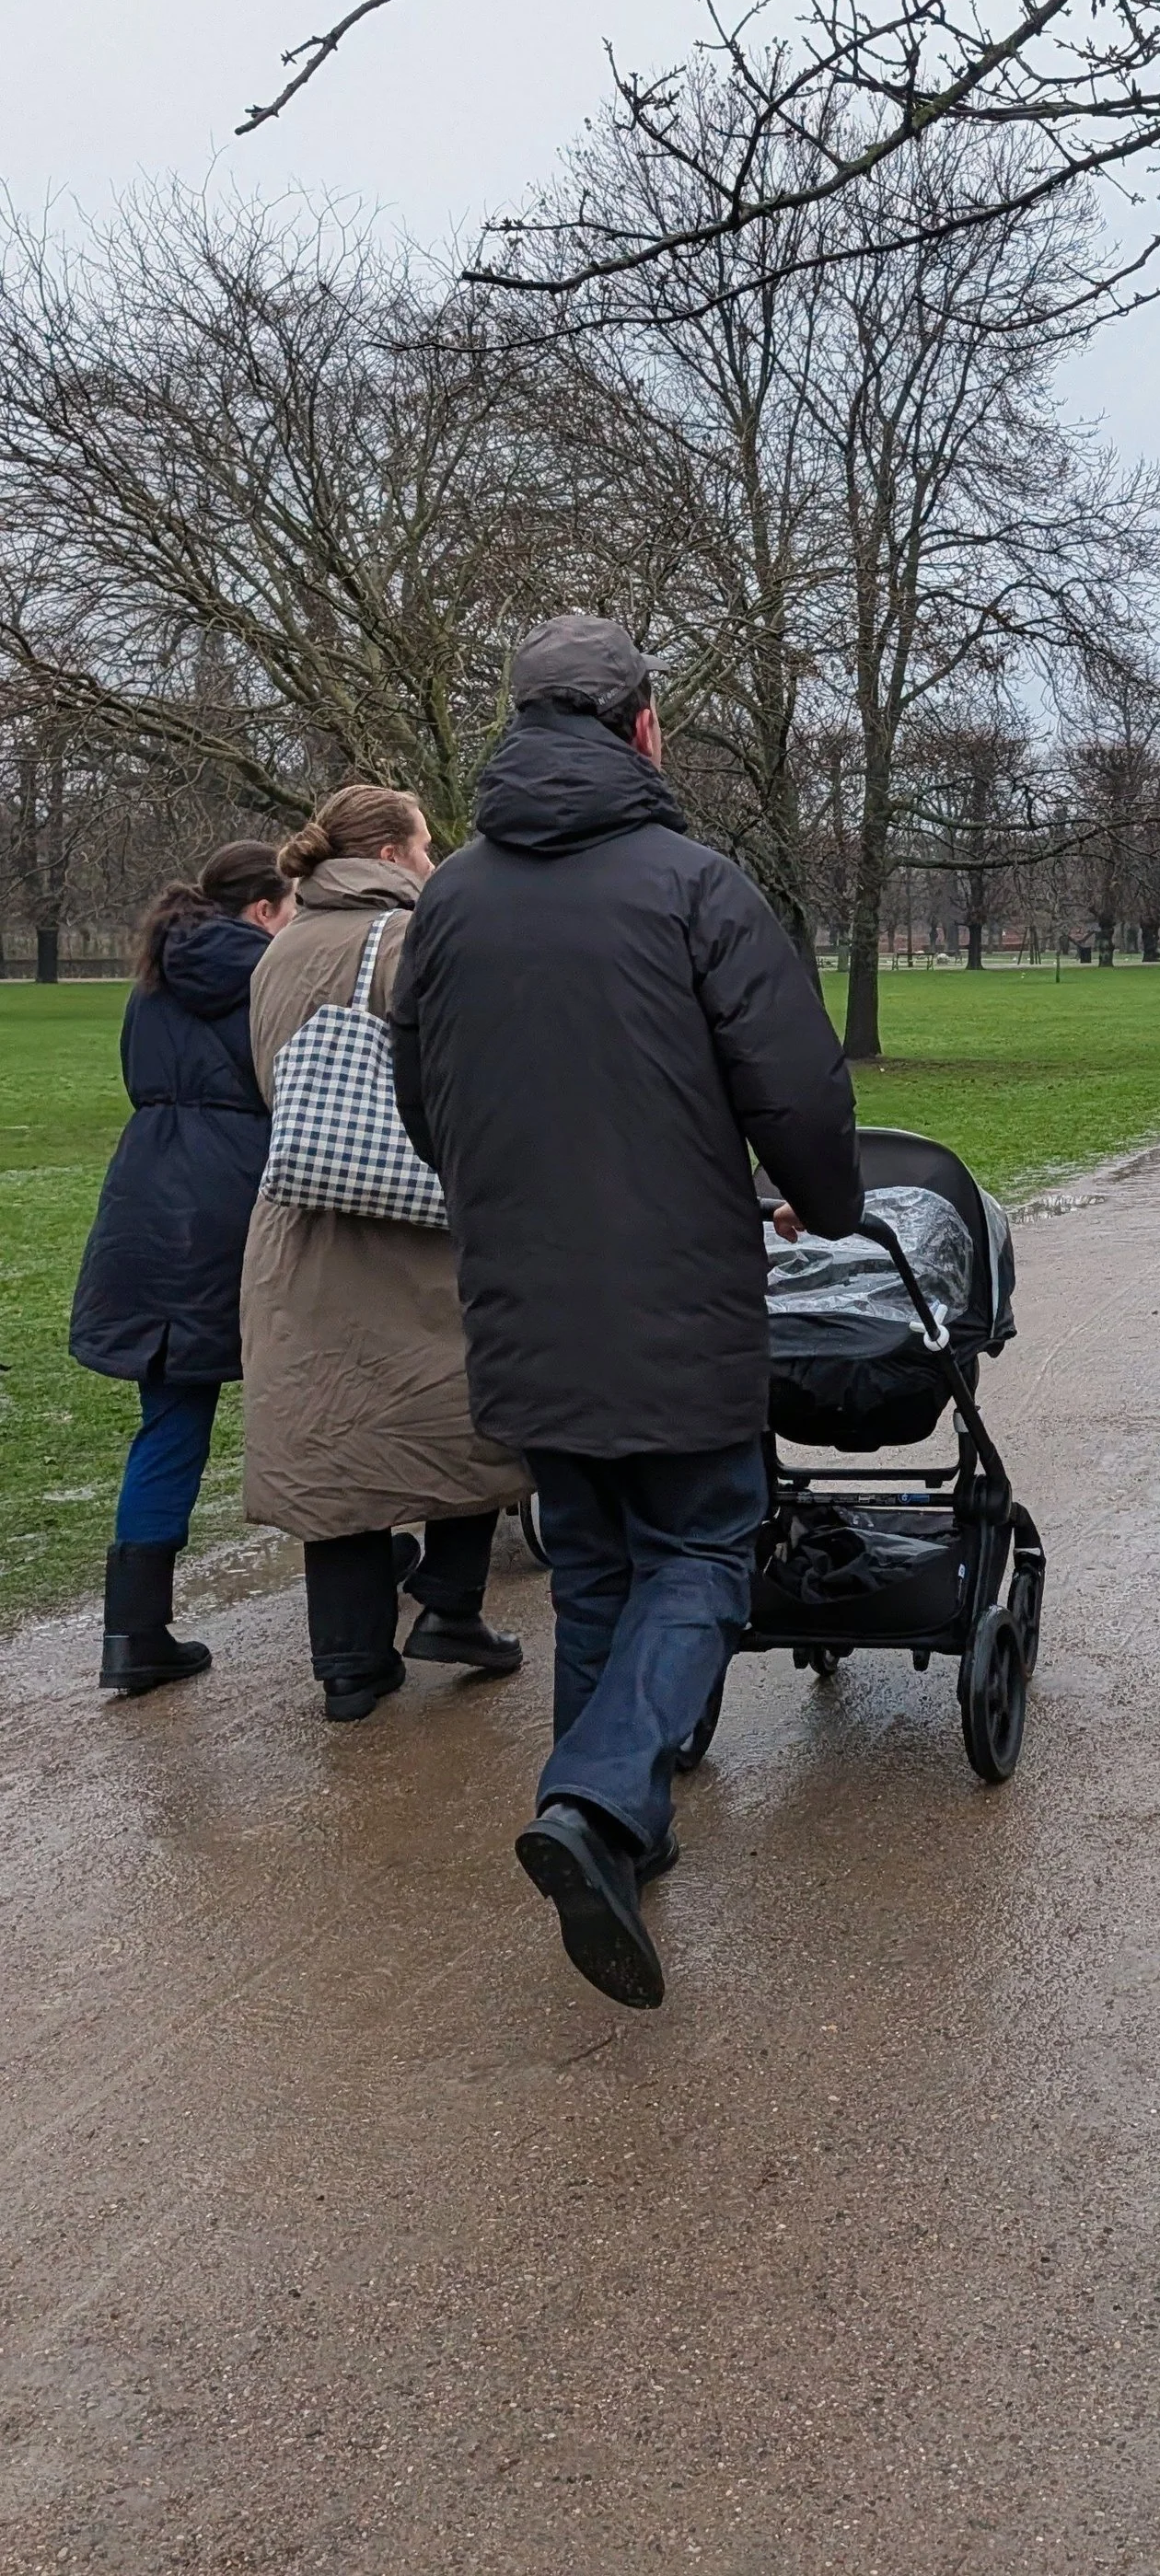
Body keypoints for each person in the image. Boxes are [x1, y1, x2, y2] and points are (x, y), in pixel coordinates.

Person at [389, 616, 863, 2010]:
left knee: (597, 1567)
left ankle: (616, 1835)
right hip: (677, 1298)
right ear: (642, 726)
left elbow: (432, 1105)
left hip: (524, 1298)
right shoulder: (694, 886)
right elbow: (795, 1086)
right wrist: (828, 1205)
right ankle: (597, 1798)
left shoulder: (452, 903)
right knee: (706, 1552)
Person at [241, 784, 527, 1723]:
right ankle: (448, 1602)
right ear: (395, 853)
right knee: (463, 1410)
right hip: (410, 1220)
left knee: (336, 1441)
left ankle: (350, 1664)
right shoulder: (411, 940)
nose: (436, 858)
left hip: (306, 1225)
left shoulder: (279, 947)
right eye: (427, 842)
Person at [71, 841, 293, 1693]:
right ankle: (366, 1568)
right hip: (235, 1190)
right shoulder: (271, 977)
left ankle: (134, 1631)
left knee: (170, 1415)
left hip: (145, 1190)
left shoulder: (151, 978)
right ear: (266, 909)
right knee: (309, 1381)